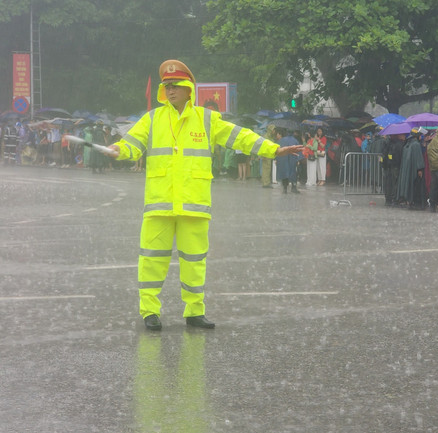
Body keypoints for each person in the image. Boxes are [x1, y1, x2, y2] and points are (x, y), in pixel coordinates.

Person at [106, 59, 302, 331]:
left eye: (176, 85)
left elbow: (240, 136)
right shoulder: (152, 119)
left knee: (195, 262)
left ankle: (194, 312)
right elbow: (132, 144)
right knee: (151, 260)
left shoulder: (207, 119)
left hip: (194, 204)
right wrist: (119, 149)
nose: (170, 90)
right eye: (166, 86)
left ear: (189, 89)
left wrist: (272, 149)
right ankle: (149, 311)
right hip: (159, 204)